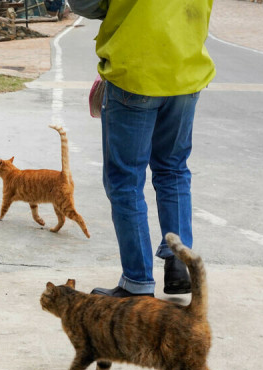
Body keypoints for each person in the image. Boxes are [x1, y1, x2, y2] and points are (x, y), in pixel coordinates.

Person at [88, 1, 216, 298]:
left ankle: (137, 282)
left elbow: (88, 3)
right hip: (185, 69)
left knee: (125, 180)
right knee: (173, 169)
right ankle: (178, 261)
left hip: (136, 68)